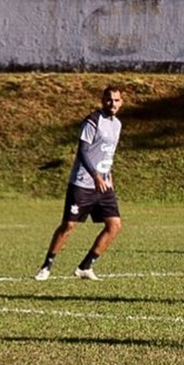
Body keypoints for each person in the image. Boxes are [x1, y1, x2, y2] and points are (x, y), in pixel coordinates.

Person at [35, 86, 124, 281]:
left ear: (121, 102)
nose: (113, 103)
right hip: (83, 182)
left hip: (104, 185)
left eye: (116, 100)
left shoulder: (117, 124)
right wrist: (96, 176)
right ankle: (47, 266)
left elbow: (107, 153)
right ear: (102, 100)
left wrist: (108, 176)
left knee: (115, 225)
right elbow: (82, 151)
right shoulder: (92, 121)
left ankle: (85, 266)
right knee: (69, 225)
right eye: (109, 99)